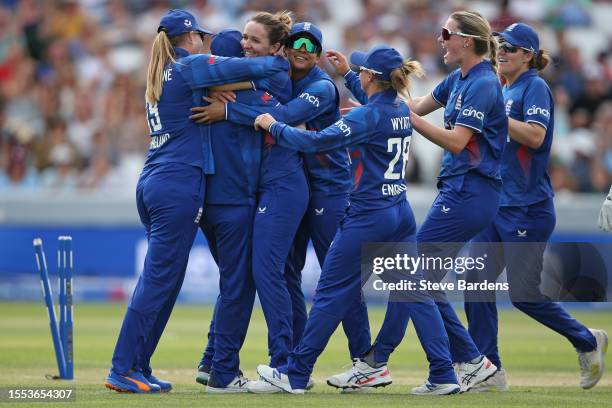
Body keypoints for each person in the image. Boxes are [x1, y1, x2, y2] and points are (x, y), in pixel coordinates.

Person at [253, 44, 459, 396]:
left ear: (371, 78)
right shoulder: (398, 108)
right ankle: (443, 373)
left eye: (362, 71)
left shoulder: (367, 116)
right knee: (415, 293)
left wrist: (274, 125)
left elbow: (314, 142)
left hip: (368, 215)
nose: (359, 74)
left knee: (331, 292)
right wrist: (348, 73)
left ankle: (297, 374)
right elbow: (374, 101)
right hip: (399, 212)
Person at [104, 9, 289, 394]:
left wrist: (223, 92)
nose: (203, 41)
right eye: (198, 36)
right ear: (186, 38)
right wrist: (279, 54)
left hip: (156, 178)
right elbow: (262, 68)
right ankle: (122, 367)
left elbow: (216, 82)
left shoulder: (166, 70)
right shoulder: (188, 66)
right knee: (158, 282)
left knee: (165, 283)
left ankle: (138, 365)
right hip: (178, 183)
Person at [192, 22, 371, 394]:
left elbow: (281, 118)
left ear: (319, 51)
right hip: (297, 186)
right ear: (284, 47)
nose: (302, 49)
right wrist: (228, 89)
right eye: (296, 42)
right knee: (284, 274)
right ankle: (291, 363)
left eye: (311, 44)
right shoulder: (282, 75)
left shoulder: (318, 85)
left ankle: (360, 362)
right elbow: (267, 89)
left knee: (333, 277)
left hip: (327, 191)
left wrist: (226, 108)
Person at [349, 11, 505, 393]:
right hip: (459, 191)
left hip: (471, 192)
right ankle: (460, 363)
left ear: (466, 40)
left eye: (446, 33)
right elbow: (410, 107)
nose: (440, 39)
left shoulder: (483, 84)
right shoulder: (460, 78)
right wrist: (355, 80)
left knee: (411, 275)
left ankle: (383, 362)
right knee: (418, 278)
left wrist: (404, 115)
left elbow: (455, 141)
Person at [464, 23, 608, 392]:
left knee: (524, 296)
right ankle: (489, 370)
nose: (502, 51)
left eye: (510, 47)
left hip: (527, 208)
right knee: (475, 283)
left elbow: (535, 135)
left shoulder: (535, 87)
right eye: (499, 45)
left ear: (528, 55)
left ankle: (586, 338)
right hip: (494, 204)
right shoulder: (500, 87)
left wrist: (493, 116)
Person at [191, 10, 310, 387]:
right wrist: (227, 97)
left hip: (209, 197)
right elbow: (277, 98)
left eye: (251, 42)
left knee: (236, 281)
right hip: (236, 197)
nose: (245, 49)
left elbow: (274, 82)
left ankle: (214, 360)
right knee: (244, 282)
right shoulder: (262, 87)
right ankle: (236, 368)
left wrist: (223, 99)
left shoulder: (216, 92)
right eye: (242, 45)